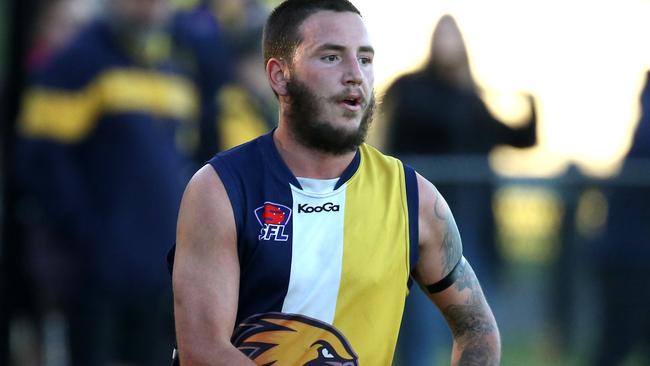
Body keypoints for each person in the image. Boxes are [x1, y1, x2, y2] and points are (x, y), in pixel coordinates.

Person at [171, 1, 500, 365]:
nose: (354, 74)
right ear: (279, 75)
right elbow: (202, 352)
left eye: (365, 58)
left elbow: (477, 330)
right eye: (331, 57)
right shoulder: (220, 190)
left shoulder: (414, 198)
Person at [15, 0, 200, 364]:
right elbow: (41, 160)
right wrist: (88, 237)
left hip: (162, 271)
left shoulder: (177, 65)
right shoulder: (77, 62)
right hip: (97, 276)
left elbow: (182, 161)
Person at [383, 14, 536, 365]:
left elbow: (521, 139)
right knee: (420, 327)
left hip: (473, 226)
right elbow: (416, 121)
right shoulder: (414, 88)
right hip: (423, 224)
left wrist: (529, 105)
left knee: (475, 325)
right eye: (443, 35)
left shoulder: (472, 98)